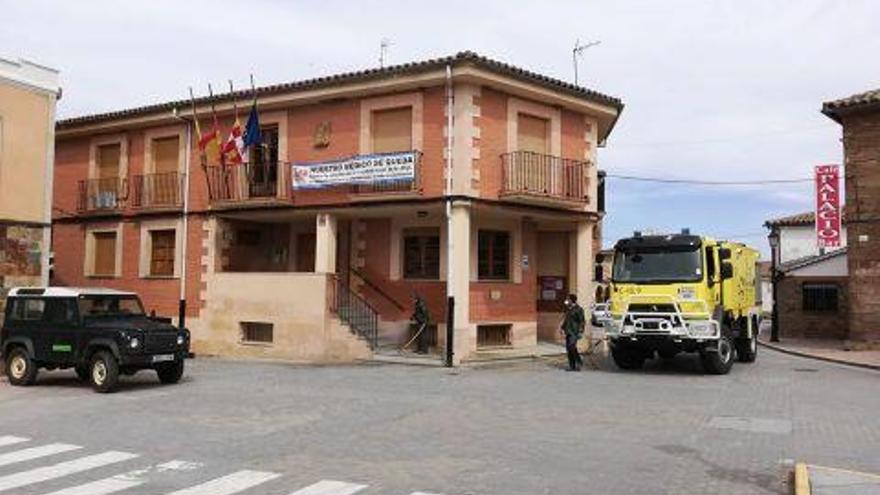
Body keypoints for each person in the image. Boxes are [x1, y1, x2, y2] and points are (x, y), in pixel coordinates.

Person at [561, 293, 586, 371]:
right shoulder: (568, 309)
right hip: (568, 331)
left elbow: (582, 321)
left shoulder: (579, 309)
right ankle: (572, 366)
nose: (567, 301)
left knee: (572, 347)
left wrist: (581, 331)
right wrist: (562, 328)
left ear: (572, 300)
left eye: (568, 299)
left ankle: (579, 362)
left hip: (574, 331)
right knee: (568, 348)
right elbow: (566, 320)